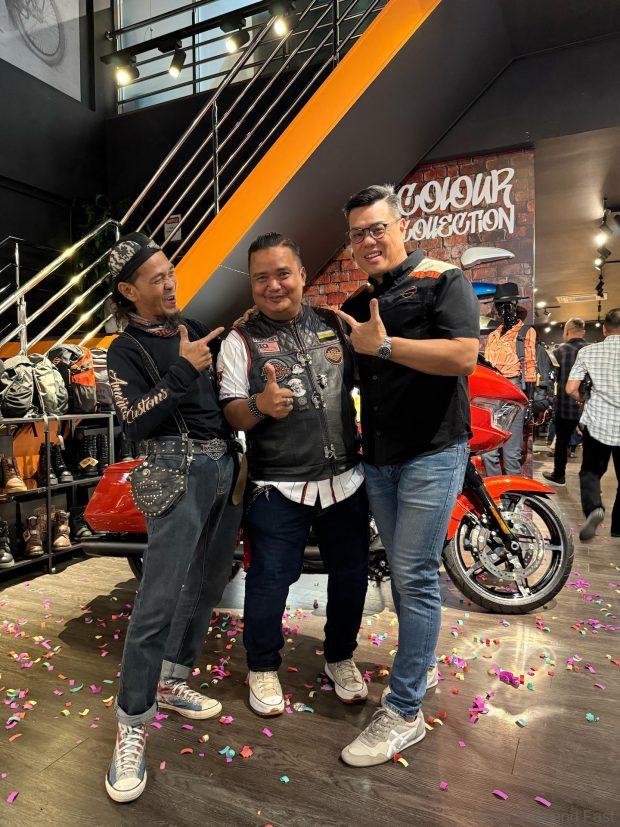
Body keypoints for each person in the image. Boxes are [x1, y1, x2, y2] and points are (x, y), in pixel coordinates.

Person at [334, 185, 479, 767]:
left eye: (377, 227)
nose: (368, 240)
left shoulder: (442, 279)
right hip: (379, 458)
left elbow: (464, 355)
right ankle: (418, 664)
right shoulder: (360, 299)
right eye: (358, 233)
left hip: (432, 451)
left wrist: (385, 346)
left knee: (415, 576)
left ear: (401, 226)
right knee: (402, 573)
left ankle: (404, 711)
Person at [104, 233, 242, 803]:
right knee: (157, 600)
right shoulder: (123, 349)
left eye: (170, 271)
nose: (170, 282)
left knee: (208, 583)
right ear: (128, 290)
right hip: (173, 471)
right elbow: (134, 423)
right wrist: (183, 370)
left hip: (225, 468)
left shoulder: (195, 328)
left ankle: (172, 679)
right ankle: (131, 722)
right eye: (156, 277)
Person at [217, 232, 370, 718]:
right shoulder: (238, 341)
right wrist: (259, 406)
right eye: (261, 277)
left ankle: (340, 656)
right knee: (269, 580)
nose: (273, 285)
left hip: (345, 480)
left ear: (302, 275)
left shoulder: (333, 325)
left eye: (283, 273)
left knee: (351, 575)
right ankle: (262, 666)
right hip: (277, 486)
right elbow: (232, 412)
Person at [566, 308, 620, 541]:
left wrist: (583, 399)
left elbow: (570, 388)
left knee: (590, 472)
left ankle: (594, 509)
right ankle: (618, 527)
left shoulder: (589, 351)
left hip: (598, 422)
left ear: (604, 329)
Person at [482, 282, 536, 476]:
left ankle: (512, 493)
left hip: (513, 389)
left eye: (507, 305)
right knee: (488, 452)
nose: (503, 310)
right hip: (492, 391)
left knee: (511, 454)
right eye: (499, 306)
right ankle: (496, 492)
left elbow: (530, 366)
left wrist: (529, 403)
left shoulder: (525, 332)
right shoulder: (493, 336)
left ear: (515, 305)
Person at [543, 318, 587, 486]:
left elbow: (553, 378)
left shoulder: (559, 351)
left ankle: (559, 475)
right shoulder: (591, 350)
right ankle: (590, 482)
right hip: (588, 406)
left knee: (562, 441)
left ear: (567, 331)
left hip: (565, 405)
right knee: (592, 446)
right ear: (583, 331)